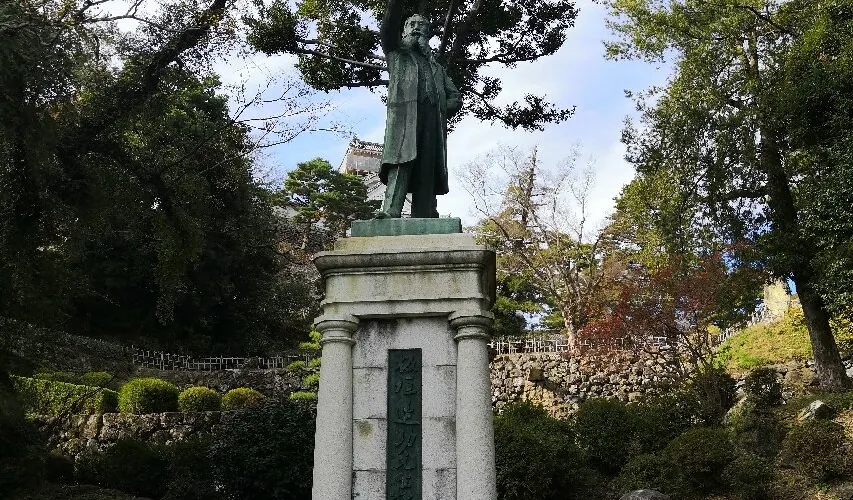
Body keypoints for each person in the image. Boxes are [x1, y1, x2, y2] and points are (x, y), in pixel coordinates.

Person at [375, 1, 462, 219]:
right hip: (405, 118)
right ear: (404, 30)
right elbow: (388, 28)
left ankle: (425, 213)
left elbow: (455, 96)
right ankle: (390, 211)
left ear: (428, 34)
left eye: (421, 25)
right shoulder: (396, 54)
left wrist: (442, 107)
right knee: (401, 161)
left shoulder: (437, 68)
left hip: (432, 119)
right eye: (411, 24)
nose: (416, 28)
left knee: (427, 166)